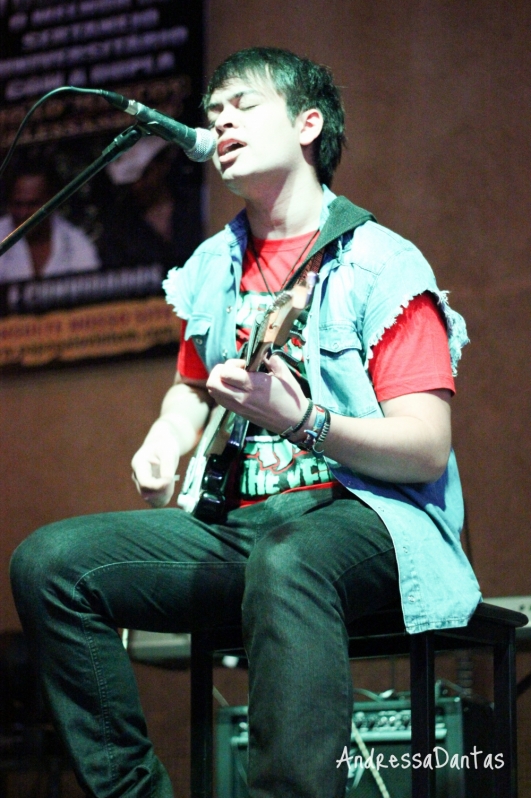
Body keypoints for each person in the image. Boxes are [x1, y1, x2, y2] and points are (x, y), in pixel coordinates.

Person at [10, 47, 481, 798]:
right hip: (238, 531)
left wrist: (306, 423)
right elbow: (191, 389)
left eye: (242, 103)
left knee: (289, 559)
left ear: (306, 124)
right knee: (51, 564)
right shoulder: (212, 267)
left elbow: (424, 450)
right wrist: (161, 443)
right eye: (213, 108)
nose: (219, 118)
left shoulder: (382, 264)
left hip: (369, 528)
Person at [97, 135, 202, 270]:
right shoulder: (121, 228)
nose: (138, 186)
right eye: (131, 182)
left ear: (163, 165)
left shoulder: (196, 204)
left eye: (145, 175)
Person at [0, 158, 101, 282]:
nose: (23, 213)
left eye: (32, 204)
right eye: (18, 204)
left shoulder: (77, 245)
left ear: (51, 201)